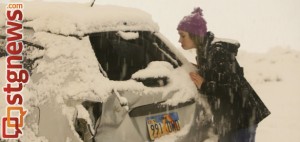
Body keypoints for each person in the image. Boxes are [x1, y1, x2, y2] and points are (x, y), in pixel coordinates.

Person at [177, 7, 270, 142]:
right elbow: (218, 76)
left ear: (195, 35)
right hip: (230, 119)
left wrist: (204, 84)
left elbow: (232, 88)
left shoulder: (217, 52)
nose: (179, 40)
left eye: (182, 35)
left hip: (241, 118)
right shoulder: (206, 52)